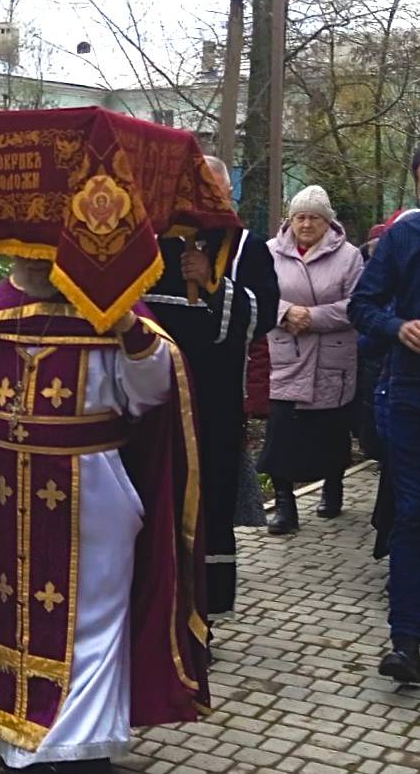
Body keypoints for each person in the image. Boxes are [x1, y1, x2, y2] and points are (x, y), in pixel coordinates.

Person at [0, 257, 209, 773]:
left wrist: (125, 324)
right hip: (5, 489)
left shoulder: (113, 310)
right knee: (7, 611)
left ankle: (84, 747)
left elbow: (152, 390)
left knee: (93, 621)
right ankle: (18, 738)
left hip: (93, 491)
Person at [143, 156, 279, 626]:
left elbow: (263, 317)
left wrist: (211, 283)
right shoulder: (154, 241)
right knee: (157, 496)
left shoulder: (246, 249)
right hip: (156, 397)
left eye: (213, 192)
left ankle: (203, 613)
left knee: (208, 502)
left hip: (214, 403)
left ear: (227, 195)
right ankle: (156, 607)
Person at [258, 185, 363, 534]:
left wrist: (313, 317)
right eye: (300, 217)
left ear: (327, 222)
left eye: (314, 218)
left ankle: (333, 485)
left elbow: (358, 305)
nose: (306, 224)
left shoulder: (348, 256)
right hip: (285, 353)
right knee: (280, 434)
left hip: (332, 357)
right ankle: (285, 506)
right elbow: (258, 295)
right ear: (290, 220)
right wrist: (286, 312)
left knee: (331, 431)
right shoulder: (270, 252)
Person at [349, 197, 420, 682]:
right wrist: (397, 327)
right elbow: (361, 306)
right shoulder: (404, 236)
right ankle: (406, 643)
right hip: (411, 395)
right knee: (413, 514)